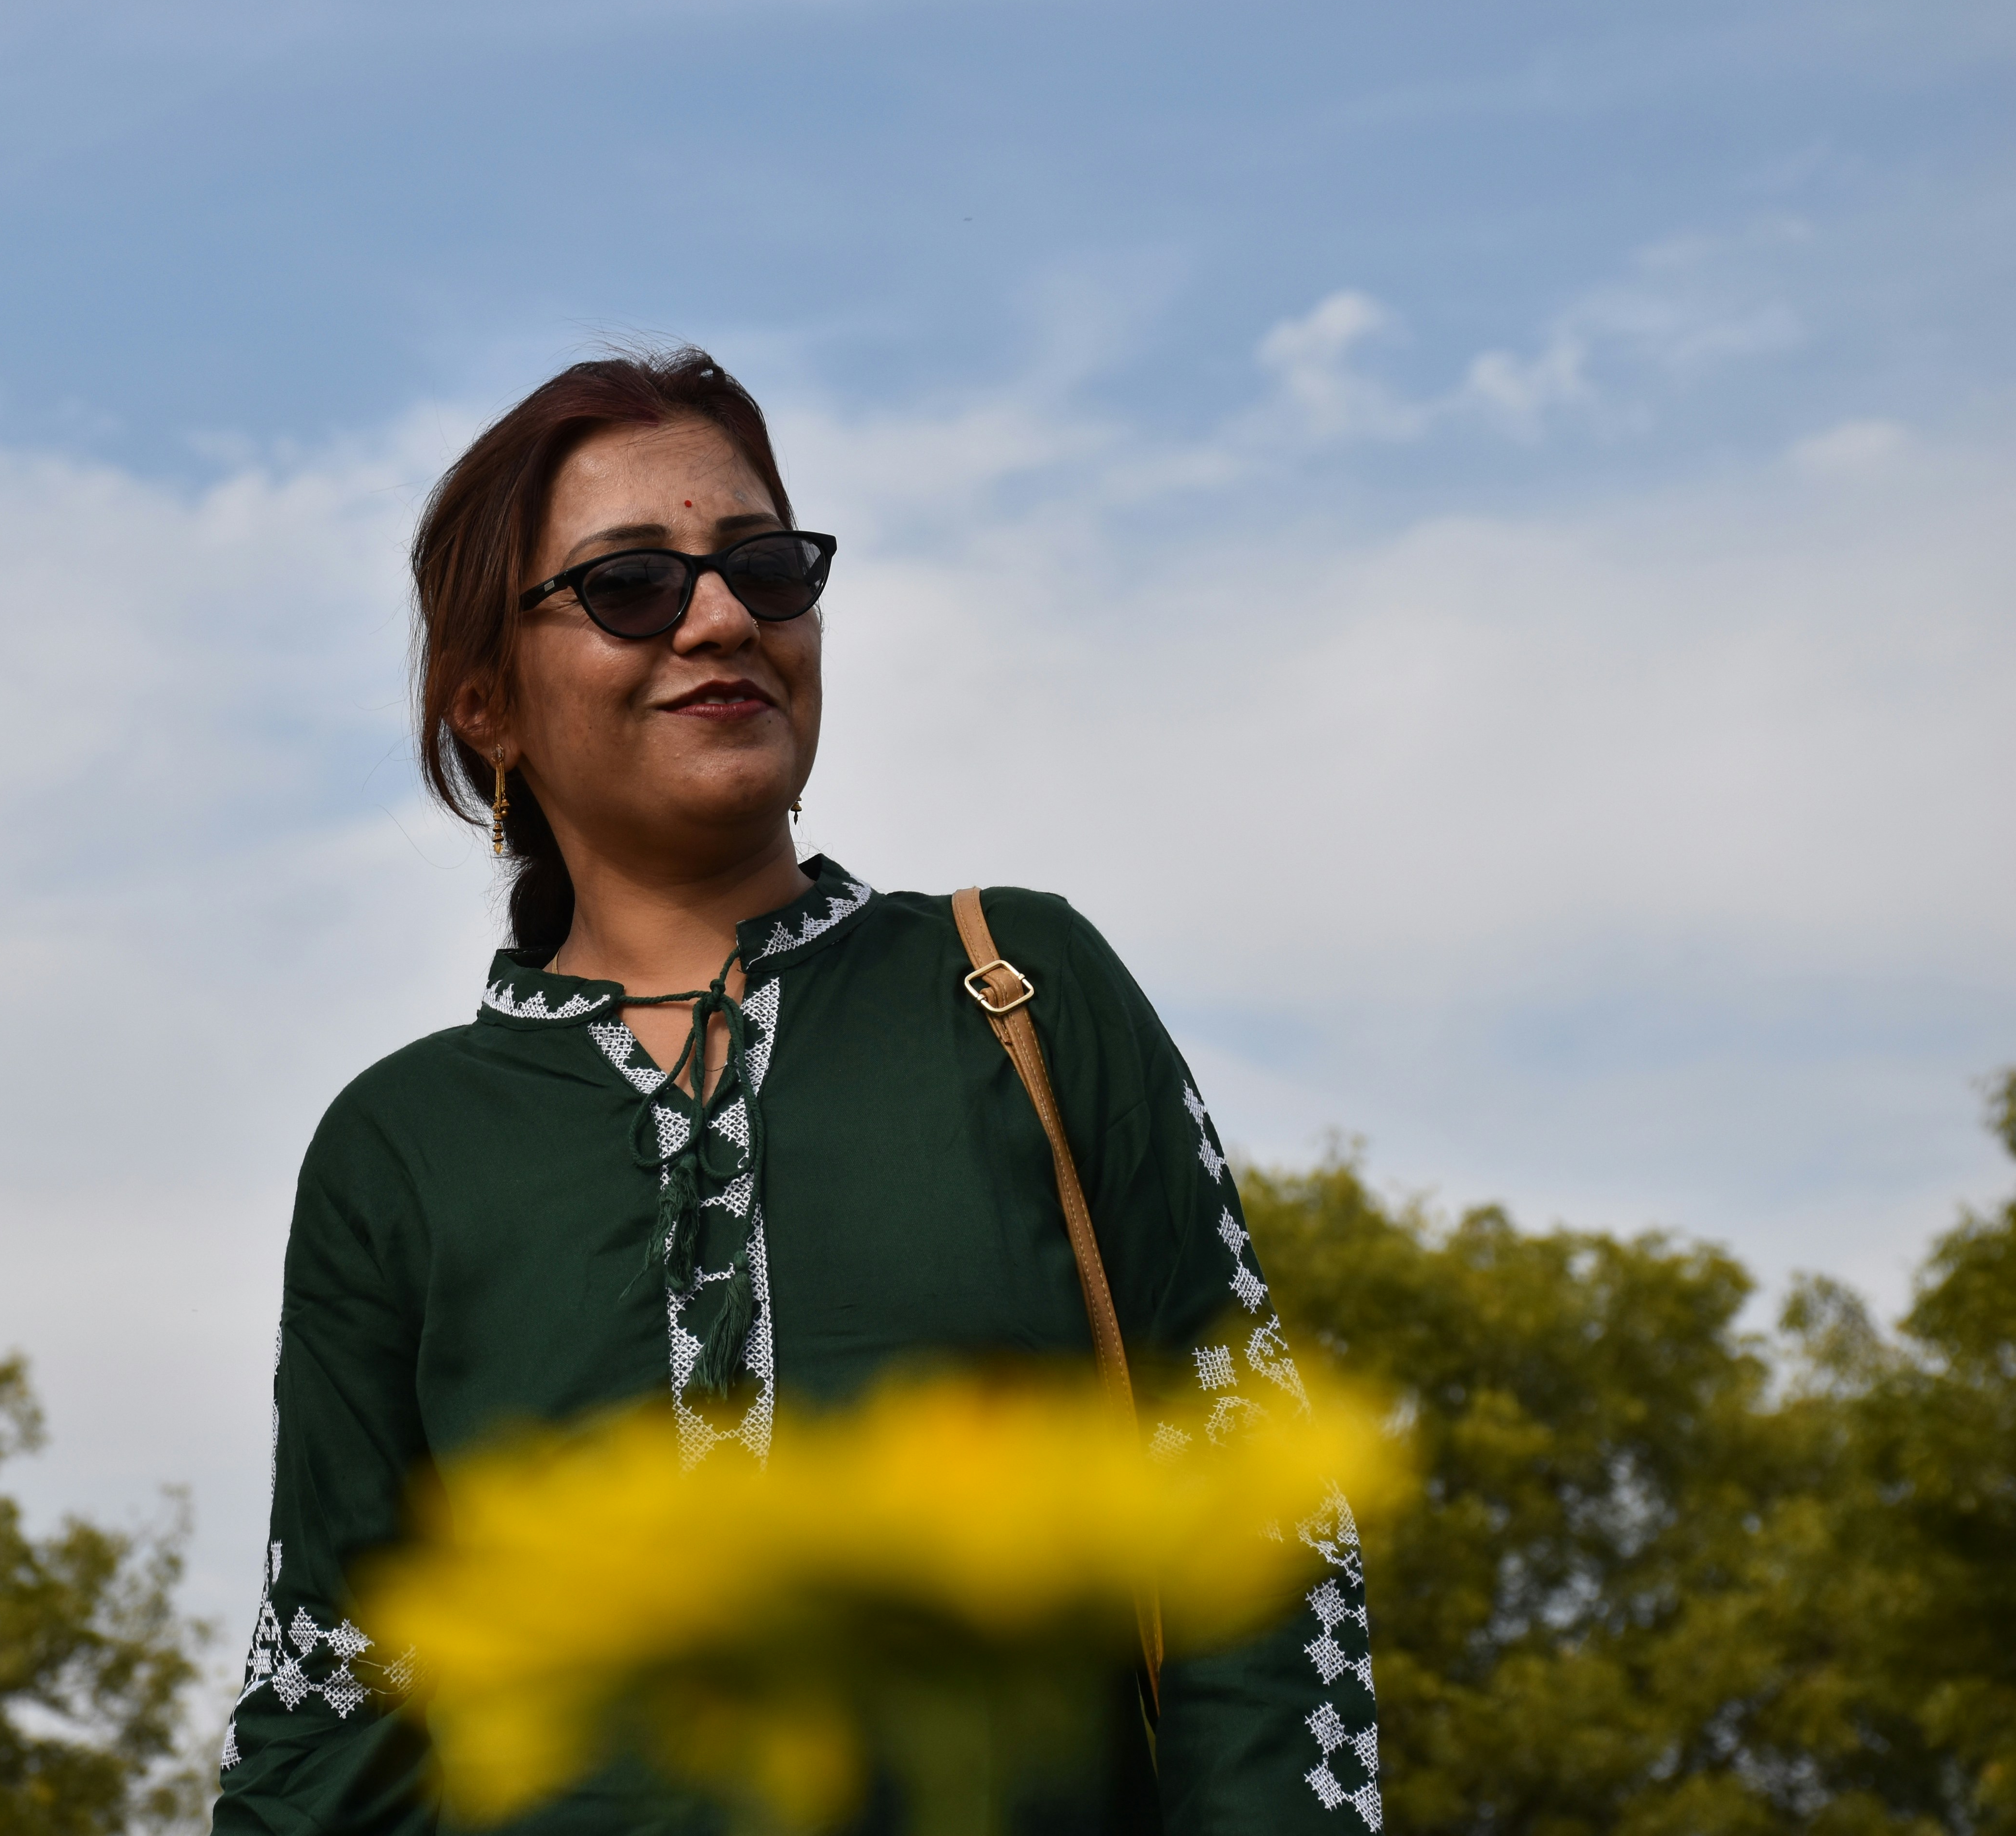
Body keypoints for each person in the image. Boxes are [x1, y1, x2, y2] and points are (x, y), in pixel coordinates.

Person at [210, 349, 1379, 1835]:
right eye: (630, 584)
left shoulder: (1016, 989)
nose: (721, 620)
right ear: (486, 703)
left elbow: (1264, 1533)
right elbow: (334, 1702)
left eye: (765, 570)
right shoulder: (403, 1150)